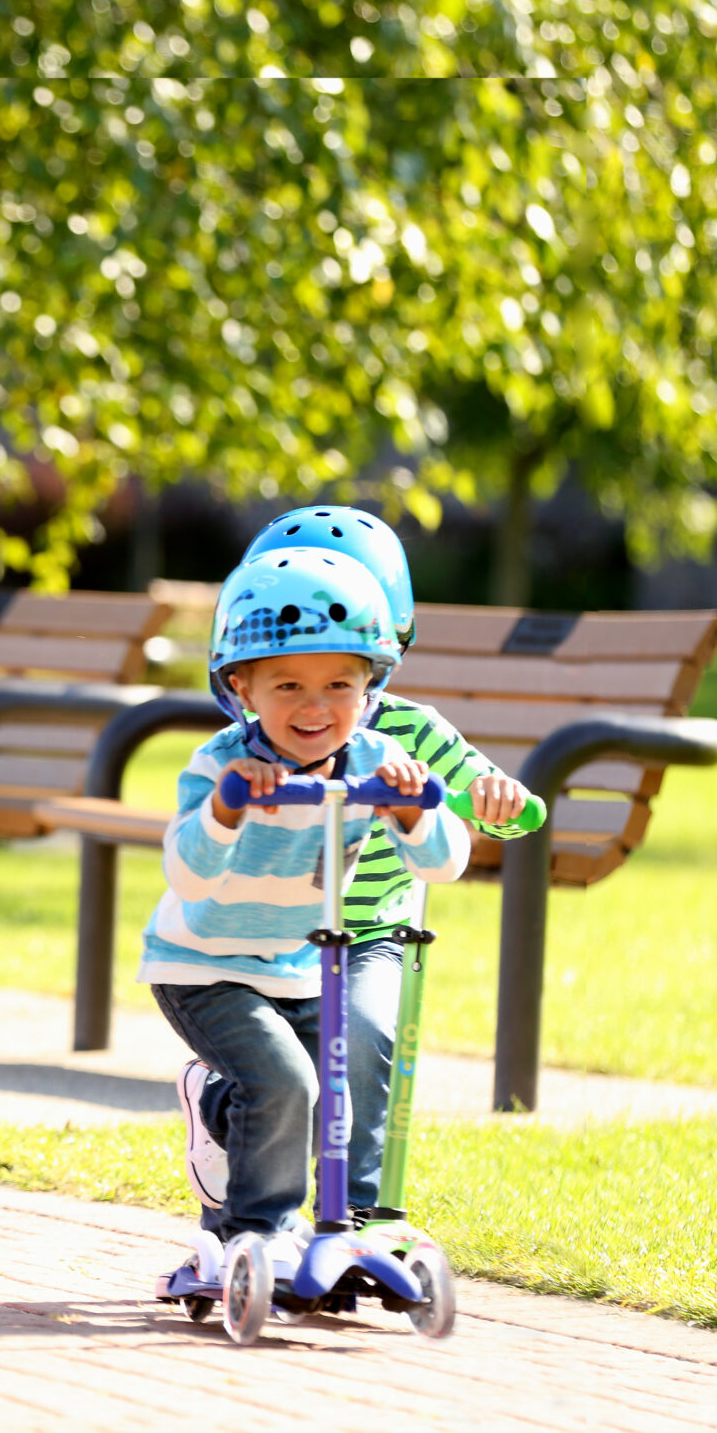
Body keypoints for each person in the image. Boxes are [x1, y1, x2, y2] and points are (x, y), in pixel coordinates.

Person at [174, 507, 537, 1219]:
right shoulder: (258, 738)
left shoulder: (409, 730)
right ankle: (229, 1131)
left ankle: (362, 1219)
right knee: (287, 1079)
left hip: (373, 929)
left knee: (365, 1040)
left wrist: (498, 796)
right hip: (278, 932)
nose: (315, 699)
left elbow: (480, 793)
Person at [141, 548, 468, 1279]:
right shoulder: (219, 763)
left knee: (337, 1083)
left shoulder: (375, 761)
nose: (315, 706)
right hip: (204, 964)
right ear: (243, 687)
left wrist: (415, 810)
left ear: (371, 686)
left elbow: (446, 862)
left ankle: (303, 1187)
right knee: (288, 1082)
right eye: (287, 684)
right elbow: (187, 874)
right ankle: (256, 1233)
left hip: (299, 964)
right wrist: (227, 805)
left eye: (340, 684)